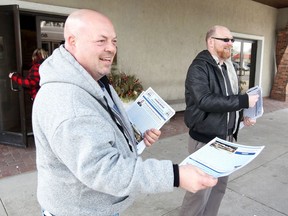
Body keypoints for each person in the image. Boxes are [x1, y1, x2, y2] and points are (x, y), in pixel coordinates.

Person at [32, 9, 217, 216]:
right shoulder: (68, 103)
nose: (111, 48)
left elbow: (100, 127)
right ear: (72, 41)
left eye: (114, 41)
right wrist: (176, 175)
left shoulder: (92, 80)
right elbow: (104, 170)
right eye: (101, 41)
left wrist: (134, 134)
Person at [179, 25, 259, 216]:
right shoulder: (199, 67)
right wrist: (242, 101)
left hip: (227, 139)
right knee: (199, 192)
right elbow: (204, 100)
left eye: (232, 40)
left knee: (219, 187)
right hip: (206, 140)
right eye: (226, 39)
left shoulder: (227, 66)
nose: (230, 43)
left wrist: (243, 115)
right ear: (211, 42)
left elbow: (229, 98)